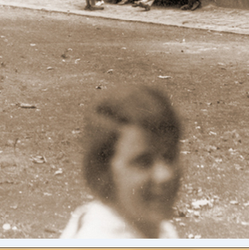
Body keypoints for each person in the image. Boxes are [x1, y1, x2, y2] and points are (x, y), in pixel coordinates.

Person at [60, 86, 181, 239]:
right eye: (143, 162)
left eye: (169, 156)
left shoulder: (152, 226)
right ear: (104, 171)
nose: (165, 175)